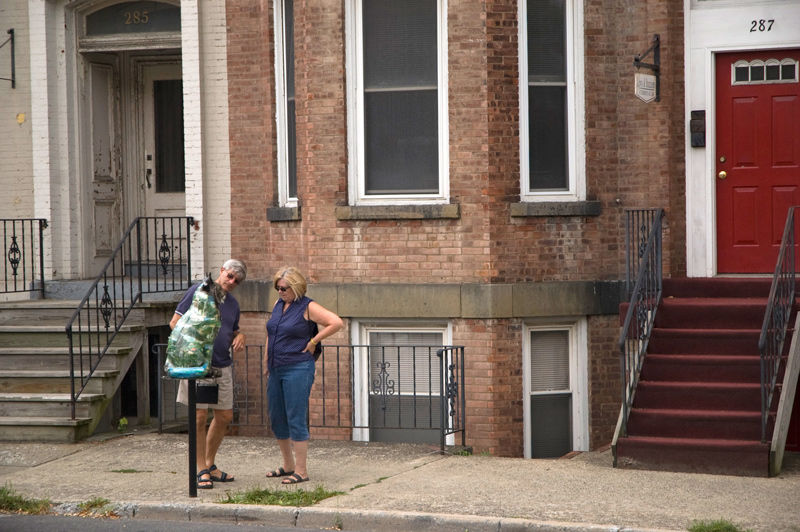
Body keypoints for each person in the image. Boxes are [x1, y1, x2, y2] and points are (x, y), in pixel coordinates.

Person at [263, 266, 343, 484]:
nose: (279, 291)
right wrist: (265, 361)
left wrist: (313, 341)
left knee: (295, 418)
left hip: (297, 368)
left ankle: (301, 470)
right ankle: (288, 466)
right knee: (278, 417)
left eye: (284, 288)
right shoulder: (279, 305)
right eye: (277, 287)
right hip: (275, 368)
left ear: (296, 287)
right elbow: (271, 333)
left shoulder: (308, 306)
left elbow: (336, 322)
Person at [172, 259, 247, 489]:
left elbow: (233, 330)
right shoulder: (198, 291)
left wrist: (240, 336)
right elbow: (174, 322)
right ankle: (200, 469)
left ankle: (210, 464)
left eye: (237, 280)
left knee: (224, 417)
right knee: (199, 418)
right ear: (221, 271)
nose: (232, 281)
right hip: (197, 365)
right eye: (230, 275)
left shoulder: (233, 304)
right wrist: (194, 344)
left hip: (222, 366)